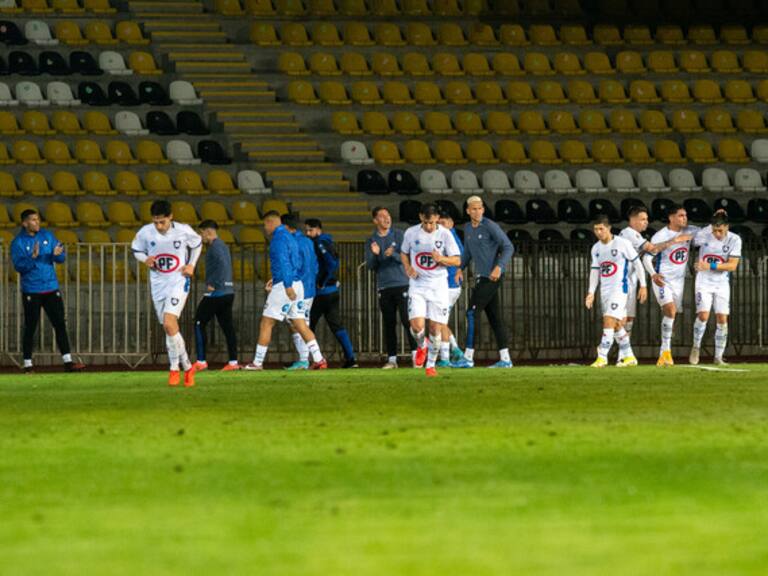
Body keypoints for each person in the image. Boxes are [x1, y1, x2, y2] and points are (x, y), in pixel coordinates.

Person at [132, 200, 202, 387]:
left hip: (178, 280)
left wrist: (191, 265)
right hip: (158, 283)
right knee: (169, 327)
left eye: (162, 222)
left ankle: (173, 369)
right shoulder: (145, 232)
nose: (159, 226)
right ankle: (188, 367)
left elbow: (197, 244)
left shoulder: (183, 230)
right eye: (155, 222)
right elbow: (136, 250)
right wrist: (145, 259)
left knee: (169, 322)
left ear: (171, 217)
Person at [245, 212, 326, 370]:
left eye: (265, 224)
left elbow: (284, 263)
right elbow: (297, 262)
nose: (264, 228)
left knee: (266, 323)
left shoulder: (278, 239)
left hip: (285, 284)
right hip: (298, 283)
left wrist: (287, 285)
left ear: (270, 222)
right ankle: (319, 359)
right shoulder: (292, 238)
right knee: (300, 324)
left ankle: (257, 363)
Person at [11, 209, 84, 373]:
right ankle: (28, 364)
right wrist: (33, 257)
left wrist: (58, 254)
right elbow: (19, 267)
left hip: (51, 288)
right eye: (33, 220)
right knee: (30, 327)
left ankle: (68, 362)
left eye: (38, 219)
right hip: (32, 290)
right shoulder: (18, 243)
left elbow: (61, 257)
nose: (37, 222)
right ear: (24, 223)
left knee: (60, 324)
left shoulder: (47, 236)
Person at [618, 206, 692, 362]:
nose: (646, 222)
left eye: (646, 219)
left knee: (629, 320)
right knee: (619, 320)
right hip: (621, 280)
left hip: (631, 280)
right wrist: (674, 240)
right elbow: (651, 250)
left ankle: (624, 357)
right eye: (643, 219)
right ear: (633, 220)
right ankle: (606, 353)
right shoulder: (629, 233)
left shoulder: (636, 235)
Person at [451, 196, 515, 369]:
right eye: (474, 209)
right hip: (481, 277)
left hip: (492, 277)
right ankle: (506, 359)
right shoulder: (467, 228)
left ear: (483, 210)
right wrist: (460, 268)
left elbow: (508, 246)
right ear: (468, 211)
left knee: (472, 313)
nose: (477, 211)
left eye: (480, 208)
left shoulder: (490, 226)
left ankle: (468, 357)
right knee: (495, 318)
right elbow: (467, 252)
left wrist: (499, 267)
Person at [400, 203, 462, 377]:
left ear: (437, 219)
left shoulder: (445, 234)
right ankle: (422, 345)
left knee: (435, 328)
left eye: (432, 223)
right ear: (421, 217)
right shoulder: (411, 233)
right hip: (418, 284)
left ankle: (431, 365)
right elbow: (404, 253)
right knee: (417, 326)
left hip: (438, 286)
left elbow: (457, 260)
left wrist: (441, 258)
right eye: (426, 222)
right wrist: (408, 267)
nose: (429, 226)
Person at [585, 215, 648, 368]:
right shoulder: (596, 248)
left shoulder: (622, 243)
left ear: (609, 228)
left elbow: (637, 263)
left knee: (608, 320)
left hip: (620, 289)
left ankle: (602, 357)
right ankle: (630, 356)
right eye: (596, 229)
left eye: (601, 229)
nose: (598, 232)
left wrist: (643, 285)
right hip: (605, 291)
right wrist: (591, 292)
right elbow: (595, 271)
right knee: (617, 324)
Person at [642, 204, 700, 367]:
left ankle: (666, 349)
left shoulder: (690, 230)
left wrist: (718, 216)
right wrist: (653, 274)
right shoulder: (660, 236)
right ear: (671, 218)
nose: (684, 218)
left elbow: (710, 231)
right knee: (670, 310)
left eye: (685, 215)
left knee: (673, 316)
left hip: (679, 281)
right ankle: (665, 352)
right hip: (662, 279)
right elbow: (646, 258)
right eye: (681, 215)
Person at [365, 207, 418, 369]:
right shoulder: (371, 240)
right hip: (384, 286)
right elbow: (370, 266)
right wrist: (376, 254)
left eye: (388, 215)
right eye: (382, 216)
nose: (386, 218)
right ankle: (392, 359)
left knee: (408, 321)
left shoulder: (399, 235)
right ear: (375, 221)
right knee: (389, 323)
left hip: (402, 283)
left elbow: (407, 257)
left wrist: (393, 254)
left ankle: (416, 356)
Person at [689, 213, 742, 366]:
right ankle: (696, 347)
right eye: (714, 230)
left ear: (727, 227)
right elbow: (689, 242)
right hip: (703, 281)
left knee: (722, 319)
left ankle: (718, 357)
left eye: (720, 230)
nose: (717, 234)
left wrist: (710, 265)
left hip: (721, 283)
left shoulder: (735, 239)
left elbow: (732, 266)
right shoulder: (705, 235)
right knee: (703, 316)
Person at [304, 218, 358, 368]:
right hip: (332, 291)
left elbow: (332, 264)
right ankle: (351, 359)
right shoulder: (328, 241)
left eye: (310, 230)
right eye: (306, 230)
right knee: (336, 326)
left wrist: (322, 280)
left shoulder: (319, 243)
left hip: (321, 293)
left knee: (306, 326)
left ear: (318, 229)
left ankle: (307, 359)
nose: (308, 233)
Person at [192, 219, 240, 372]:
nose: (201, 237)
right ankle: (233, 362)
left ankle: (201, 361)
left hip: (217, 293)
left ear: (208, 232)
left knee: (199, 322)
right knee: (227, 327)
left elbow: (221, 264)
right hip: (228, 292)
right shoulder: (223, 246)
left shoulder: (214, 248)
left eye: (201, 233)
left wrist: (213, 282)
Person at [282, 214, 319, 371]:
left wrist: (289, 284)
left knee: (297, 324)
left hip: (299, 289)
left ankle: (305, 360)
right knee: (301, 323)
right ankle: (310, 359)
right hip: (310, 288)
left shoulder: (293, 242)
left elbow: (294, 266)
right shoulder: (307, 241)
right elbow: (315, 265)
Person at [436, 211, 465, 367]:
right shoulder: (446, 236)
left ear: (451, 223)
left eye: (443, 222)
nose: (440, 226)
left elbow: (459, 259)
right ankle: (455, 350)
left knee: (440, 321)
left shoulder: (449, 237)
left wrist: (441, 260)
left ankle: (446, 357)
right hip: (446, 285)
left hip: (450, 285)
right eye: (438, 223)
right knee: (439, 320)